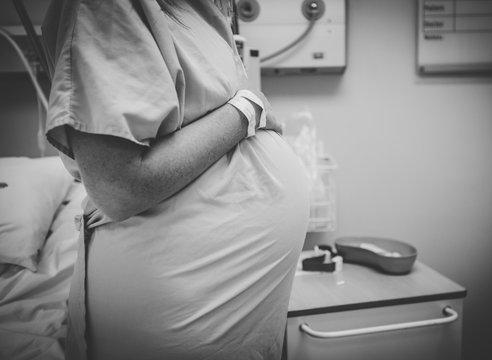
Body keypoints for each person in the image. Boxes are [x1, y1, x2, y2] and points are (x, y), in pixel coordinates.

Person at [41, 0, 310, 359]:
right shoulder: (104, 8)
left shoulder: (199, 9)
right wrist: (249, 109)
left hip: (238, 310)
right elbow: (120, 188)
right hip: (181, 314)